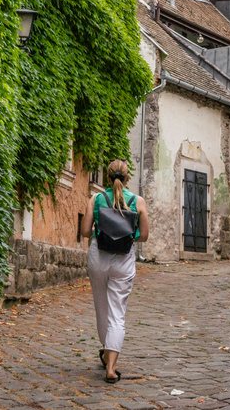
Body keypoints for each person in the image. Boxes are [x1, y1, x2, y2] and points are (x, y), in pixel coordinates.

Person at [80, 160, 149, 384]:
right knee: (117, 313)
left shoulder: (96, 199)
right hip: (124, 260)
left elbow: (85, 231)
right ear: (127, 177)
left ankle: (105, 349)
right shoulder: (138, 202)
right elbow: (144, 235)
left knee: (102, 308)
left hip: (98, 257)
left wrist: (102, 230)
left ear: (106, 177)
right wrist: (126, 235)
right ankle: (111, 367)